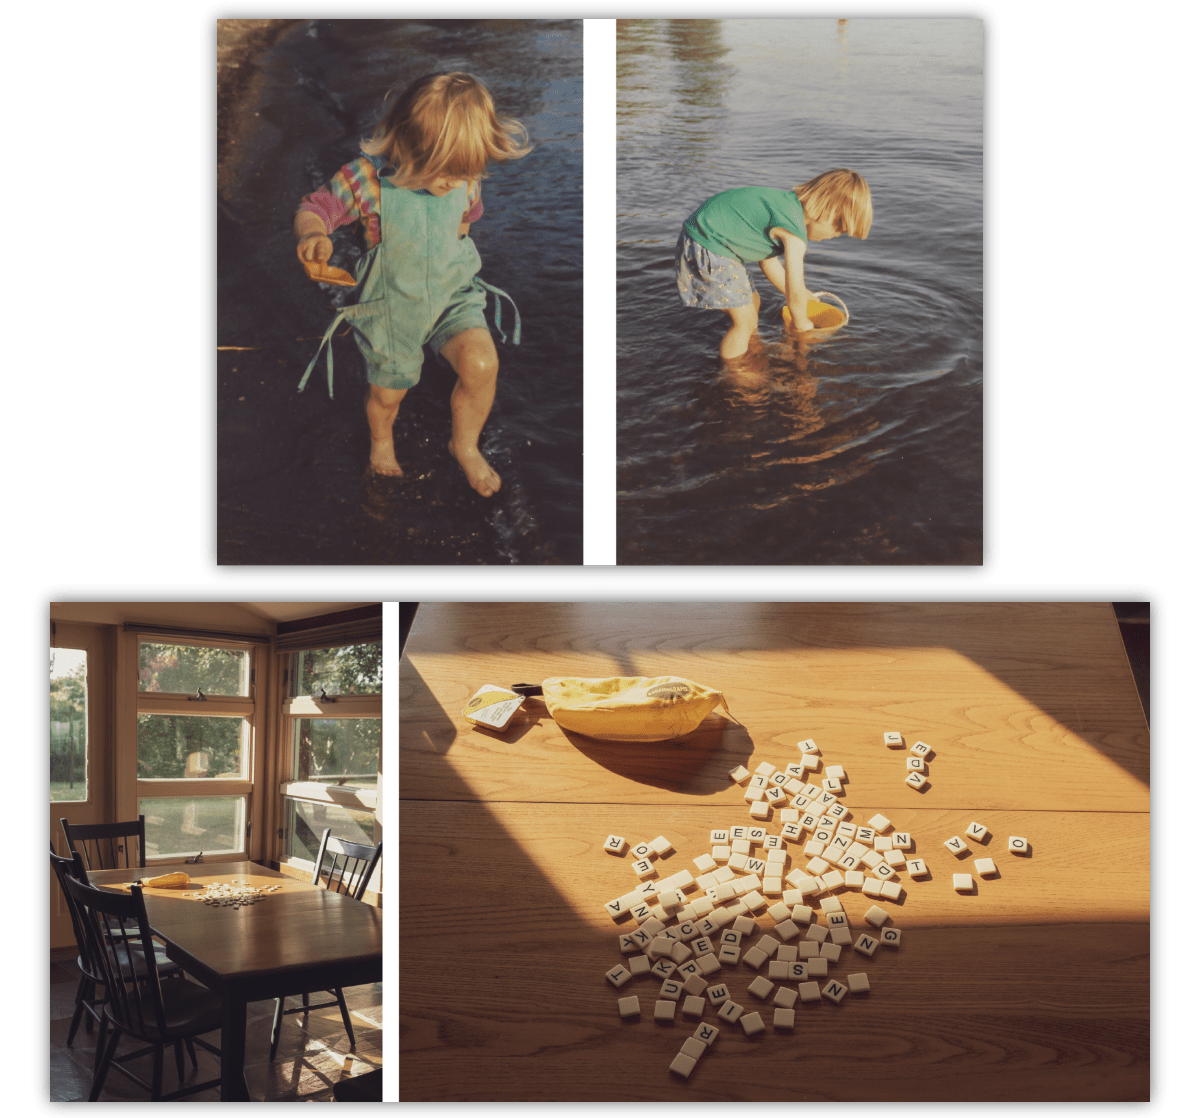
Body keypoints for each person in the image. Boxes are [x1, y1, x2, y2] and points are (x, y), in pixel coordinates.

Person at [294, 72, 531, 495]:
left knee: (482, 365)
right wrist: (313, 235)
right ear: (408, 143)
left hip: (450, 293)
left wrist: (453, 255)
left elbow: (463, 222)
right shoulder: (367, 180)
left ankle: (465, 446)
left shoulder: (464, 178)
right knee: (389, 393)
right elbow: (316, 207)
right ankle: (382, 442)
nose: (456, 184)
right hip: (391, 305)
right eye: (447, 173)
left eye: (466, 173)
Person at [675, 169, 872, 360]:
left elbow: (769, 263)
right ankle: (735, 374)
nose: (834, 236)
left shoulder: (786, 208)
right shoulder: (794, 235)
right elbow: (793, 296)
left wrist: (804, 294)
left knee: (754, 302)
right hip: (707, 245)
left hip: (703, 236)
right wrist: (802, 326)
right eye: (839, 228)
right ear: (826, 214)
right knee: (744, 322)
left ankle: (749, 347)